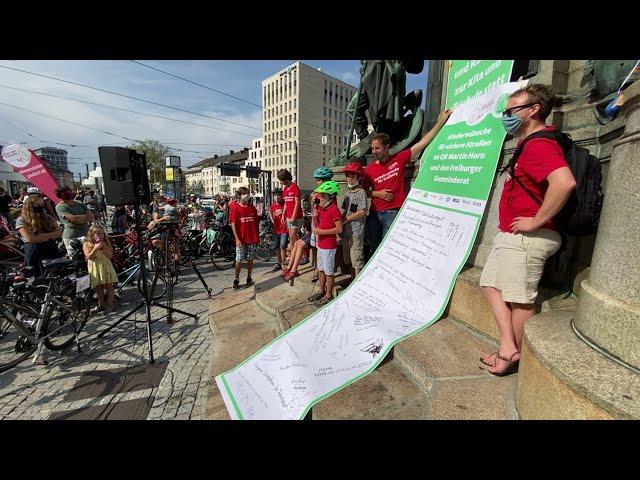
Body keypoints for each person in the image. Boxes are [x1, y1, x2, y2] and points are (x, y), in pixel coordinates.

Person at [479, 84, 576, 376]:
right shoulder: (529, 143)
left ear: (534, 110)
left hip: (529, 237)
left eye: (512, 110)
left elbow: (564, 183)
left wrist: (534, 221)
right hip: (514, 236)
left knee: (520, 299)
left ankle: (510, 358)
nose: (506, 116)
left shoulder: (539, 144)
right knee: (489, 283)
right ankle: (508, 345)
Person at [364, 109, 452, 255]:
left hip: (393, 212)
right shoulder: (370, 169)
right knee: (374, 247)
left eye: (377, 148)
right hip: (374, 214)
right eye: (372, 148)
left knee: (389, 248)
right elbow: (363, 192)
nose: (374, 151)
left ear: (387, 147)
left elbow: (423, 142)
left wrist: (440, 121)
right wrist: (378, 194)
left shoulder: (399, 158)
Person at [306, 181, 342, 306]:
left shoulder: (334, 209)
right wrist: (315, 216)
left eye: (322, 195)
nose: (319, 197)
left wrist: (321, 232)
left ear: (329, 196)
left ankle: (329, 294)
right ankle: (321, 290)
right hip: (321, 244)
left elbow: (339, 229)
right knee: (321, 269)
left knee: (328, 271)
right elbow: (317, 224)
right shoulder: (322, 209)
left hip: (328, 245)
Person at [15, 195, 64, 277]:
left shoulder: (47, 217)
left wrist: (41, 236)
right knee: (36, 276)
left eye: (42, 205)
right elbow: (31, 239)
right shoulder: (22, 220)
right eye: (37, 205)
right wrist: (50, 235)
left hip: (50, 248)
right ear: (30, 207)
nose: (41, 207)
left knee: (55, 275)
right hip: (34, 250)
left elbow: (59, 232)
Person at [340, 162, 368, 284]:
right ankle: (352, 278)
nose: (349, 179)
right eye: (348, 176)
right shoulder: (347, 194)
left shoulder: (361, 193)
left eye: (352, 176)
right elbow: (343, 210)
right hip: (347, 230)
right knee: (350, 257)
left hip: (356, 230)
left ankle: (357, 281)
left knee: (357, 255)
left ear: (358, 177)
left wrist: (347, 219)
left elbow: (362, 211)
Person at [229, 187, 259, 290]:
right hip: (241, 239)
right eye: (245, 194)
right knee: (239, 259)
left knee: (250, 259)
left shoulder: (252, 208)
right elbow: (233, 224)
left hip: (251, 238)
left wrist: (257, 238)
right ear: (239, 195)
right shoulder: (235, 208)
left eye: (248, 193)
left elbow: (256, 224)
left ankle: (249, 277)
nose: (247, 195)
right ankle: (236, 278)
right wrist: (237, 239)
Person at [83, 225, 117, 313]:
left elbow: (110, 256)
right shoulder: (87, 244)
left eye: (102, 233)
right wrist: (95, 248)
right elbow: (89, 257)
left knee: (109, 286)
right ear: (91, 235)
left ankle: (110, 305)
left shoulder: (105, 242)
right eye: (97, 233)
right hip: (95, 268)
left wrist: (105, 248)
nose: (100, 235)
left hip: (105, 267)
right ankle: (101, 305)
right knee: (98, 288)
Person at [309, 167, 334, 282]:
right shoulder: (316, 192)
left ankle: (324, 273)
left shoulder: (329, 193)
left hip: (323, 228)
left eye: (319, 180)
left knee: (325, 255)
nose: (317, 183)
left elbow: (327, 208)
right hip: (315, 225)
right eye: (317, 180)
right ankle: (317, 271)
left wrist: (318, 200)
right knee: (316, 249)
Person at [55, 185, 94, 257]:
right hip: (72, 237)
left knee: (90, 256)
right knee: (76, 259)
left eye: (68, 191)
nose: (68, 193)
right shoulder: (60, 207)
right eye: (64, 192)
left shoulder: (79, 203)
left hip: (86, 234)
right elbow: (74, 220)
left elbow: (91, 216)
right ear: (59, 195)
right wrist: (85, 217)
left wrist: (80, 218)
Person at [277, 169, 303, 254]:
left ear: (285, 179)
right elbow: (286, 204)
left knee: (293, 236)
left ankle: (301, 253)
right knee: (291, 237)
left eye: (281, 180)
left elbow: (297, 203)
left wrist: (293, 216)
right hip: (288, 216)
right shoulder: (285, 189)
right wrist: (283, 215)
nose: (280, 182)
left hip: (296, 216)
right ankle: (293, 253)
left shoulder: (294, 187)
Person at [269, 188, 288, 272]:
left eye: (278, 195)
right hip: (276, 229)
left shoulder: (284, 204)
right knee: (276, 246)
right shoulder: (273, 206)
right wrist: (272, 220)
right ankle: (279, 262)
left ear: (281, 196)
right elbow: (270, 212)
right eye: (275, 195)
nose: (277, 197)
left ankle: (283, 263)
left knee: (283, 245)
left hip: (284, 229)